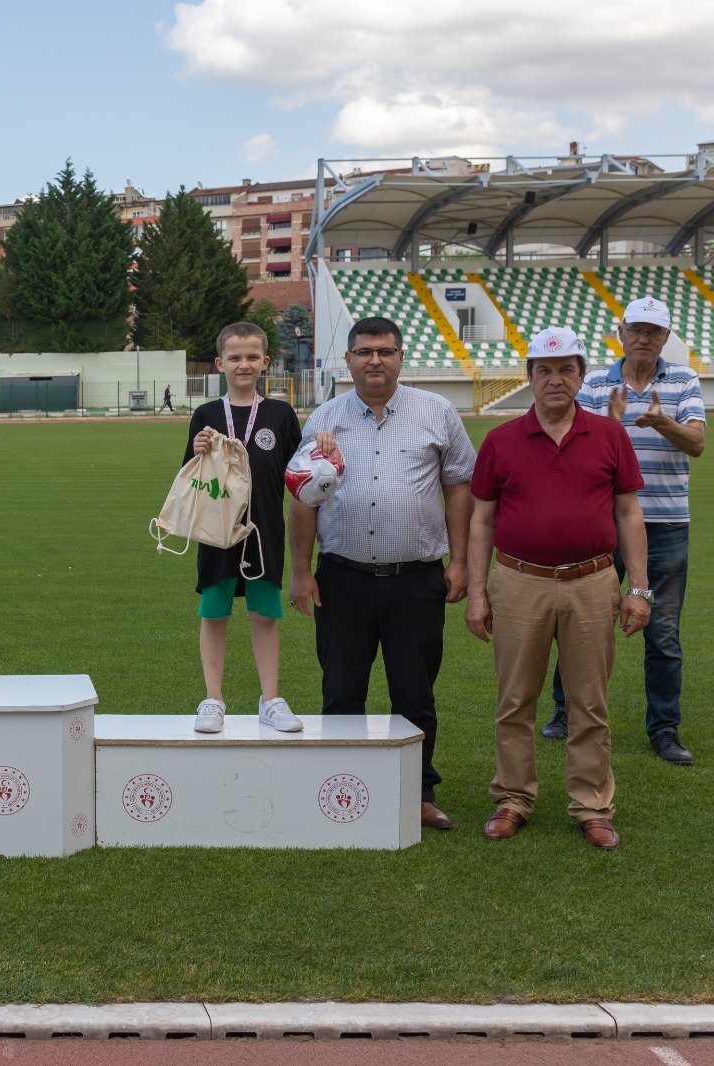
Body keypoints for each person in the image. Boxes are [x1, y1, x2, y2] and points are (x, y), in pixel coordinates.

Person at [465, 327, 650, 851]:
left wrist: (639, 588)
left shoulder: (610, 435)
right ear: (529, 378)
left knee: (590, 703)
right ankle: (513, 799)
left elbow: (628, 513)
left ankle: (592, 804)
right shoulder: (501, 440)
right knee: (514, 700)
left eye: (565, 369)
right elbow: (482, 521)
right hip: (518, 581)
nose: (554, 379)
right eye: (544, 370)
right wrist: (478, 593)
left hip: (592, 582)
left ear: (580, 376)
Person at [289, 315, 475, 832]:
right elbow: (303, 497)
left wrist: (458, 562)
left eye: (385, 351)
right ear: (347, 359)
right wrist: (301, 572)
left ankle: (418, 791)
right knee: (342, 689)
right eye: (365, 351)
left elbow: (460, 485)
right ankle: (343, 787)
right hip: (343, 579)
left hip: (416, 579)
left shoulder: (437, 412)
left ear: (400, 357)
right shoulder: (325, 419)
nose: (375, 360)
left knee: (414, 692)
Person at [543, 297, 704, 765]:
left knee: (664, 634)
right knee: (576, 625)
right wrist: (610, 425)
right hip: (600, 524)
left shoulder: (684, 380)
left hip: (666, 525)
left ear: (666, 337)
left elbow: (696, 443)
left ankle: (665, 728)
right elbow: (570, 444)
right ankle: (564, 713)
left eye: (653, 331)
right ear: (621, 331)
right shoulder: (594, 382)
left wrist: (661, 421)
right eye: (637, 329)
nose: (644, 338)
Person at [184, 323, 303, 732]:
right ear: (220, 364)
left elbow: (301, 475)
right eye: (234, 357)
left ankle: (270, 700)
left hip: (264, 532)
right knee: (214, 613)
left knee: (264, 614)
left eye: (252, 357)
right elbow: (189, 480)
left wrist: (325, 450)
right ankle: (213, 700)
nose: (244, 364)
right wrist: (197, 453)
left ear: (265, 363)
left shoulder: (280, 415)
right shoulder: (207, 415)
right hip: (217, 531)